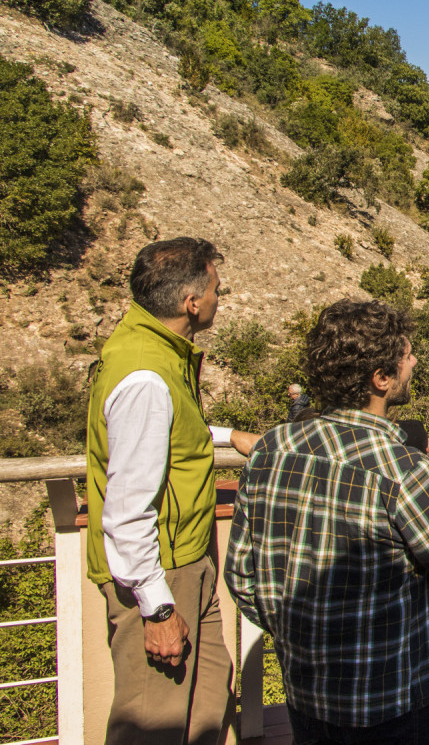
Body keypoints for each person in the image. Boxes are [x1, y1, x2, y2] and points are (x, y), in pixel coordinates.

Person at [225, 299, 429, 745]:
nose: (414, 362)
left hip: (306, 697)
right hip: (390, 705)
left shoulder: (271, 449)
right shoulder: (402, 471)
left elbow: (241, 574)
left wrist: (303, 642)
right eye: (406, 355)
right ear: (381, 377)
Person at [85, 236, 260, 745]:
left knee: (206, 707)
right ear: (191, 302)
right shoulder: (145, 375)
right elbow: (126, 508)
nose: (217, 300)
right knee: (152, 723)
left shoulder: (155, 355)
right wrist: (157, 609)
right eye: (215, 291)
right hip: (160, 573)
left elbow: (164, 435)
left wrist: (228, 437)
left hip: (185, 559)